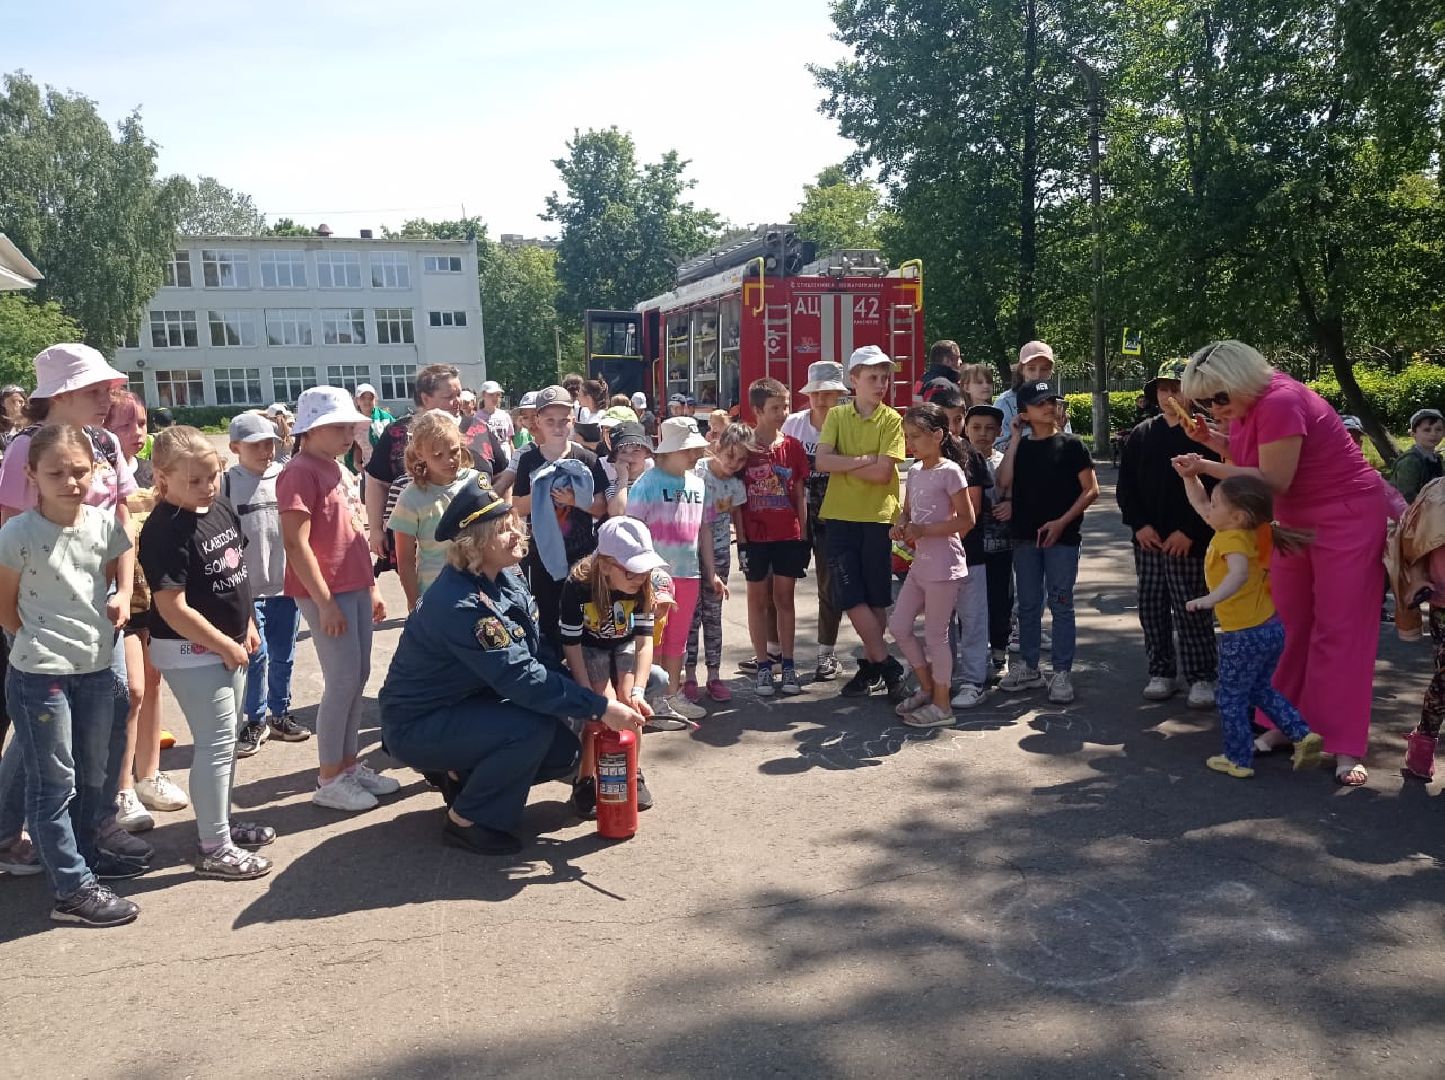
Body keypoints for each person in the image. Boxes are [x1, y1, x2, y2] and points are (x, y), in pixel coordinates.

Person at [379, 480, 644, 855]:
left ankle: (461, 777)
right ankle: (467, 820)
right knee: (529, 732)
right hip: (418, 724)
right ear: (475, 544)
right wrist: (599, 707)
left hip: (462, 705)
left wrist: (593, 691)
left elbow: (539, 651)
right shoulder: (463, 604)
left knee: (560, 749)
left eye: (513, 523)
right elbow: (522, 679)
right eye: (503, 530)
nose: (517, 534)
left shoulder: (504, 577)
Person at [1178, 340, 1389, 786]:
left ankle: (1344, 743)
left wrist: (1204, 466)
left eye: (1219, 397)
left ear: (1240, 380)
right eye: (1204, 401)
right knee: (1287, 625)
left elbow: (1273, 478)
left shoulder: (1281, 400)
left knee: (1340, 630)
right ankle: (1286, 724)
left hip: (1346, 516)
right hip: (1294, 519)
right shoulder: (1250, 406)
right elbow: (1254, 461)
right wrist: (1212, 442)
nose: (1214, 408)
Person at [0, 344, 151, 879]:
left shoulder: (105, 443)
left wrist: (121, 586)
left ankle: (97, 824)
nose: (108, 399)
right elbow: (14, 534)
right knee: (44, 731)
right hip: (45, 612)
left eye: (109, 390)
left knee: (107, 714)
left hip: (101, 604)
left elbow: (123, 517)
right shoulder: (25, 450)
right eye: (96, 391)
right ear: (61, 395)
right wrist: (23, 622)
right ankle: (9, 832)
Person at [138, 427, 274, 878]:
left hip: (229, 643)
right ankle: (214, 847)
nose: (207, 487)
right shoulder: (163, 530)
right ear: (162, 476)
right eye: (194, 480)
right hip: (190, 649)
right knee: (216, 745)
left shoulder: (217, 507)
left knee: (227, 742)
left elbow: (237, 575)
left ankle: (221, 825)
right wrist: (223, 643)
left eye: (212, 476)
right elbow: (171, 607)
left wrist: (248, 624)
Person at [278, 387, 396, 811]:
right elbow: (296, 543)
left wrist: (371, 585)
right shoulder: (299, 471)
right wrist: (325, 602)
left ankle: (348, 766)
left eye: (351, 426)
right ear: (310, 430)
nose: (349, 434)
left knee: (358, 674)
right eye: (339, 427)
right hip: (327, 592)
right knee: (342, 680)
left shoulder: (333, 467)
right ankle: (330, 776)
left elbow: (351, 533)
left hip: (352, 586)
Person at [1174, 469, 1324, 779]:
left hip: (1244, 635)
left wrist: (1209, 599)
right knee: (1259, 689)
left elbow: (1238, 575)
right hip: (1269, 629)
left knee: (1230, 697)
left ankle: (1238, 759)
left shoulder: (1233, 540)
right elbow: (1199, 503)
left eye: (1216, 505)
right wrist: (1189, 476)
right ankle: (1301, 733)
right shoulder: (1241, 529)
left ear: (1239, 516)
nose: (1208, 509)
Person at [1117, 359, 1220, 708]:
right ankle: (1161, 670)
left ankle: (1201, 675)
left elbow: (1220, 486)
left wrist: (1191, 531)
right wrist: (1140, 525)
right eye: (1163, 389)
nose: (1169, 396)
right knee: (1152, 606)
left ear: (1191, 393)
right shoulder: (1142, 434)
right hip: (1149, 540)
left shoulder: (1204, 435)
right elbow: (1126, 487)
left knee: (1191, 606)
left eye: (1176, 388)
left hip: (1189, 541)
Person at [105, 392, 182, 832]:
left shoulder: (153, 476)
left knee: (153, 685)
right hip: (123, 601)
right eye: (126, 425)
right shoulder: (107, 482)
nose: (139, 433)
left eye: (142, 423)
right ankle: (122, 789)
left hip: (155, 597)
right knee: (130, 692)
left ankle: (149, 773)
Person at [996, 379, 1099, 703]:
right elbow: (1002, 483)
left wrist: (1061, 522)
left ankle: (1062, 672)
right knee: (1027, 605)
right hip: (1025, 537)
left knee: (1061, 603)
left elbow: (1091, 489)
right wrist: (1014, 437)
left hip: (1063, 539)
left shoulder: (1071, 445)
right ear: (1024, 412)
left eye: (1052, 401)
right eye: (1040, 403)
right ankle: (1029, 667)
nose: (1049, 407)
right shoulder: (1021, 447)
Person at [815, 346, 909, 700]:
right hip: (840, 516)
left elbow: (884, 471)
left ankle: (872, 669)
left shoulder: (893, 419)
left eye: (885, 377)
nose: (881, 383)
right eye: (873, 377)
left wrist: (846, 461)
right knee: (850, 594)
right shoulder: (838, 416)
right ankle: (887, 665)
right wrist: (862, 460)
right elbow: (822, 462)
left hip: (877, 517)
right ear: (853, 380)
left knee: (874, 599)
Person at [560, 517, 665, 813]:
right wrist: (587, 695)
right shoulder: (577, 586)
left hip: (624, 645)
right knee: (602, 709)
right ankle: (585, 779)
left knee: (629, 705)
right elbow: (572, 645)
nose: (641, 577)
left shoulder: (644, 583)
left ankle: (634, 772)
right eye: (632, 571)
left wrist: (640, 690)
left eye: (645, 569)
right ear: (605, 565)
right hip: (589, 648)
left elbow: (645, 641)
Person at [887, 404, 977, 727]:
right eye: (907, 437)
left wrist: (924, 530)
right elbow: (908, 512)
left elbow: (967, 520)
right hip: (920, 565)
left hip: (944, 566)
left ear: (937, 435)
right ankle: (928, 688)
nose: (910, 443)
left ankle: (943, 706)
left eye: (916, 437)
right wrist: (901, 525)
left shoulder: (950, 471)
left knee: (937, 636)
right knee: (898, 625)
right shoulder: (914, 471)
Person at [225, 412, 308, 757]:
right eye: (256, 445)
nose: (265, 451)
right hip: (249, 588)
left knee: (284, 654)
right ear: (235, 447)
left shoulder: (286, 477)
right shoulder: (225, 484)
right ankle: (254, 719)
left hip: (287, 584)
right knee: (256, 656)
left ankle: (280, 713)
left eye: (270, 443)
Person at [625, 416, 714, 719]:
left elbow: (703, 529)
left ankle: (672, 695)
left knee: (678, 638)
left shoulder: (698, 483)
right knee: (654, 637)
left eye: (696, 448)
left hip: (688, 573)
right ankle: (653, 698)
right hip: (654, 575)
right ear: (669, 451)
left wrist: (710, 571)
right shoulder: (647, 483)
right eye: (688, 449)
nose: (695, 454)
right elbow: (633, 529)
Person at [511, 385, 610, 646]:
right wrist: (543, 491)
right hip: (542, 556)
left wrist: (574, 500)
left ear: (573, 421)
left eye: (564, 421)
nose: (557, 427)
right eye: (550, 421)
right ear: (538, 422)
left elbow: (600, 507)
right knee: (547, 622)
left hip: (581, 554)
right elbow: (518, 506)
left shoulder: (587, 458)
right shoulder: (528, 461)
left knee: (582, 620)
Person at [739, 380, 811, 697]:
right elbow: (735, 497)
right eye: (774, 408)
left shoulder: (793, 446)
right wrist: (741, 540)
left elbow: (799, 493)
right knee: (757, 600)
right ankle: (764, 665)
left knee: (785, 599)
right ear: (756, 410)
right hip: (754, 537)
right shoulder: (743, 447)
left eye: (785, 406)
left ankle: (790, 664)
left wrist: (804, 534)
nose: (782, 413)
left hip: (788, 535)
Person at [782, 361, 847, 681]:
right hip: (793, 515)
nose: (821, 398)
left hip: (834, 514)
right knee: (779, 584)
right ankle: (773, 651)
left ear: (839, 394)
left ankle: (826, 653)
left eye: (828, 392)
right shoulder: (793, 424)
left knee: (829, 585)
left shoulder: (848, 425)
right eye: (815, 393)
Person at [364, 363, 463, 566]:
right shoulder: (397, 433)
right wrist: (375, 530)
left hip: (467, 539)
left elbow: (499, 475)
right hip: (416, 544)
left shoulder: (475, 428)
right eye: (449, 397)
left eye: (459, 394)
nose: (457, 402)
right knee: (421, 594)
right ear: (426, 398)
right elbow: (376, 482)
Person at [388, 410, 477, 614]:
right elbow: (406, 561)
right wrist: (414, 603)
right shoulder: (411, 498)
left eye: (454, 451)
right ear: (420, 454)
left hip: (478, 587)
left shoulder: (474, 482)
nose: (449, 460)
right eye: (438, 455)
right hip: (436, 593)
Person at [685, 423, 747, 703]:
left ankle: (714, 675)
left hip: (720, 554)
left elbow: (737, 518)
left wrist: (743, 551)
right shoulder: (696, 471)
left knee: (713, 616)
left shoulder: (735, 485)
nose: (735, 464)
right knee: (689, 617)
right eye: (730, 456)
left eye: (742, 459)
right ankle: (688, 675)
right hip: (688, 555)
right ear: (717, 447)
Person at [965, 404, 1014, 671]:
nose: (982, 434)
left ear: (998, 431)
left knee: (1000, 602)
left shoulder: (1004, 462)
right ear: (966, 429)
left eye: (989, 428)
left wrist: (1012, 505)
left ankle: (999, 652)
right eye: (976, 427)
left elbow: (1017, 493)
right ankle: (973, 656)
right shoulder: (957, 461)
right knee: (970, 607)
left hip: (1000, 547)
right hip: (968, 549)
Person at [994, 341, 1067, 450]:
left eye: (1044, 369)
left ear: (1051, 372)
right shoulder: (1005, 402)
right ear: (1022, 370)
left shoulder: (1057, 403)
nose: (1037, 375)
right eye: (1031, 368)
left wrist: (1059, 428)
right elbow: (995, 446)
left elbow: (1069, 448)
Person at [1391, 408, 1444, 505]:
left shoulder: (1437, 459)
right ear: (1413, 434)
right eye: (1427, 430)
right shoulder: (1410, 461)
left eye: (1438, 429)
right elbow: (1406, 495)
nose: (1433, 434)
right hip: (1411, 513)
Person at [345, 383, 394, 475]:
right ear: (357, 401)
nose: (367, 401)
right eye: (363, 398)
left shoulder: (386, 418)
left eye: (370, 398)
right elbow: (356, 445)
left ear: (375, 400)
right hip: (367, 467)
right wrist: (357, 463)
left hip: (388, 465)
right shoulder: (353, 422)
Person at [477, 381, 514, 447]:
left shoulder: (505, 415)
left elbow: (510, 442)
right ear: (483, 395)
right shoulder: (477, 417)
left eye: (498, 395)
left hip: (504, 454)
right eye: (491, 394)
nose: (495, 398)